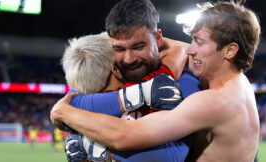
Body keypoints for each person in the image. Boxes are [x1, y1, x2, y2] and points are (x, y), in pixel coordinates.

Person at [51, 1, 261, 162]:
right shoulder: (237, 83)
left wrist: (65, 111)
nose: (190, 49)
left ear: (230, 50)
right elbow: (173, 47)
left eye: (198, 41)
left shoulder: (213, 101)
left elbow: (126, 137)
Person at [57, 0, 202, 161]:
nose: (129, 59)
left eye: (138, 47)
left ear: (114, 71)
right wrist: (64, 113)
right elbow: (72, 104)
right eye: (120, 49)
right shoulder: (111, 72)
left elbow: (170, 155)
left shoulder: (184, 79)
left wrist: (95, 144)